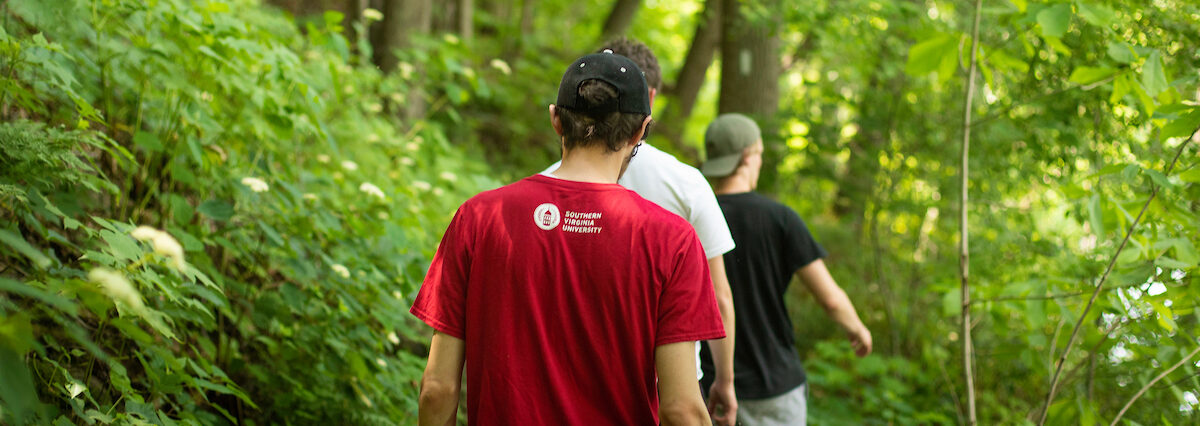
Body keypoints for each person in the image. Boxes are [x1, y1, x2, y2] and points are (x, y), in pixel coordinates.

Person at [411, 51, 725, 425]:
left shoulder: (480, 218)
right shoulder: (672, 240)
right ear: (641, 130)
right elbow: (683, 410)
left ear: (556, 120)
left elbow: (437, 389)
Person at [542, 38, 740, 425]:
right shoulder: (686, 190)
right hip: (661, 385)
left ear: (557, 118)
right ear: (643, 121)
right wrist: (726, 380)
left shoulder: (513, 205)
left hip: (555, 384)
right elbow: (721, 298)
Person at [698, 113, 873, 425]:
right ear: (748, 157)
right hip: (774, 386)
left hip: (711, 386)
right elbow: (830, 298)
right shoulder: (780, 219)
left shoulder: (694, 217)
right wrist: (857, 329)